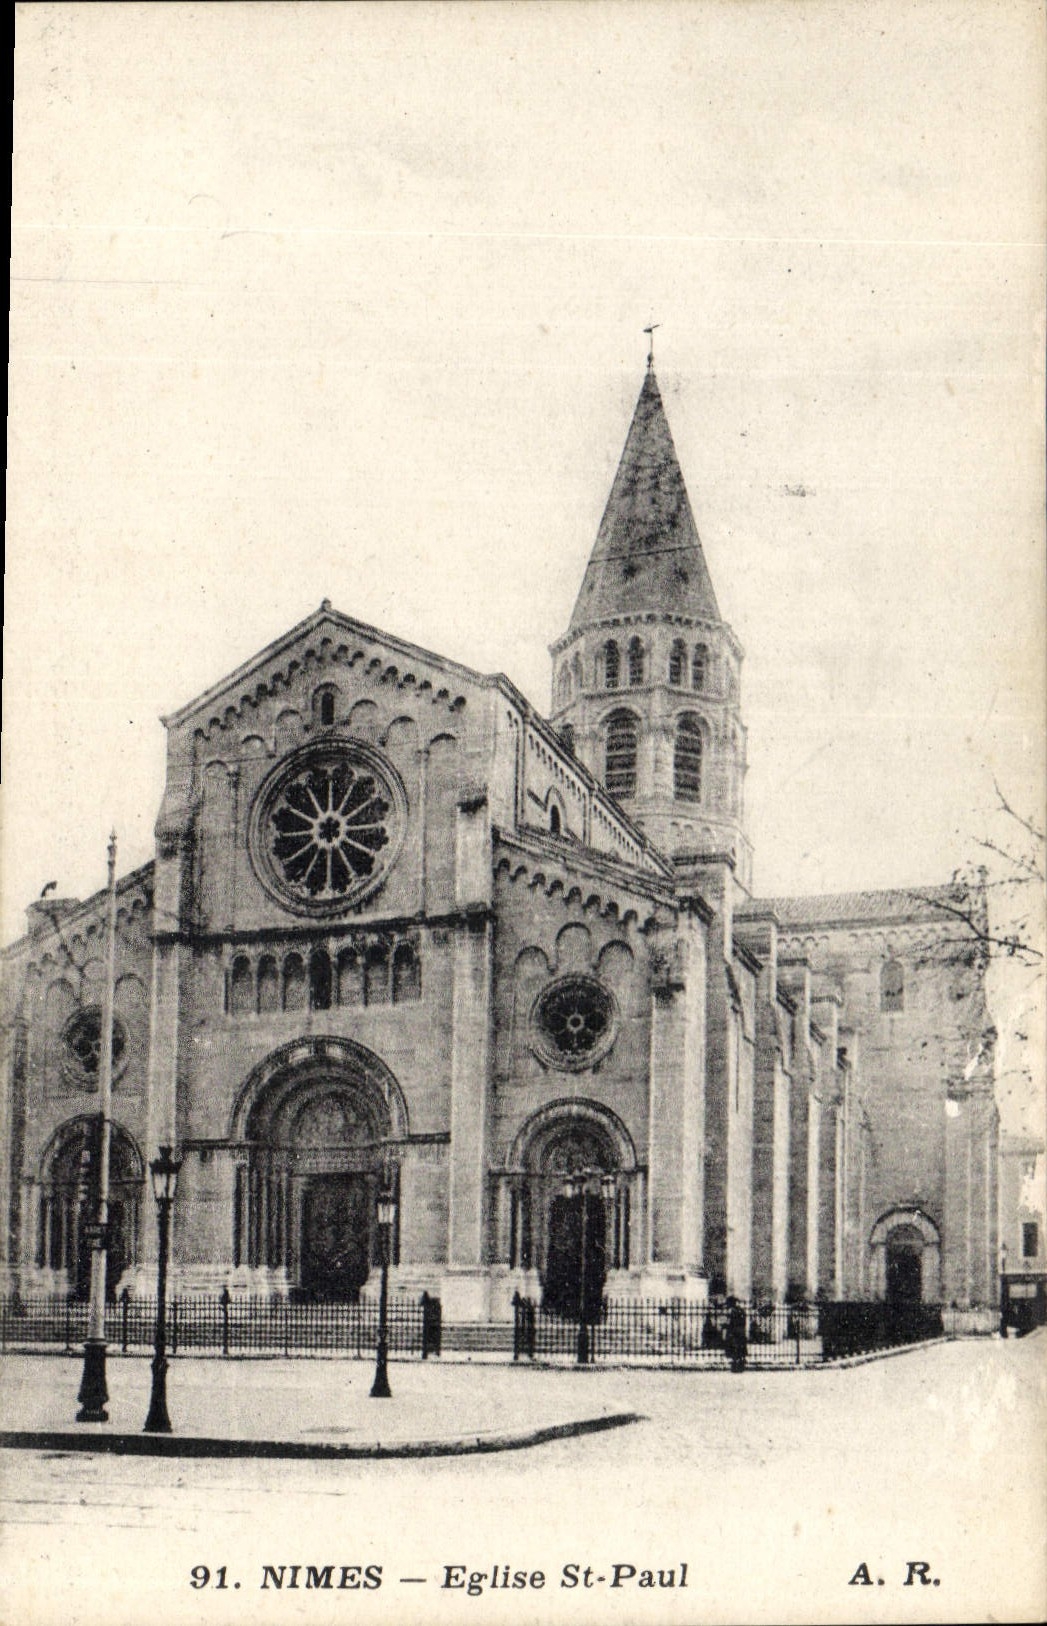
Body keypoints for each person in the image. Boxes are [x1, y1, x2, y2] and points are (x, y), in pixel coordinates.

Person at [724, 1296, 748, 1373]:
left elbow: (730, 1323)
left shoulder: (732, 1311)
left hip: (734, 1333)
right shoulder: (741, 1310)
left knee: (734, 1351)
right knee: (740, 1351)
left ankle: (735, 1367)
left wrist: (724, 1326)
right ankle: (740, 1367)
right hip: (740, 1333)